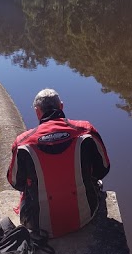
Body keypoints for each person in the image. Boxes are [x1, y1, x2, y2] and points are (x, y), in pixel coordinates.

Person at [6, 88, 110, 238]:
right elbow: (103, 169)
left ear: (37, 112)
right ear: (61, 106)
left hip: (37, 224)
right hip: (86, 216)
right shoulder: (86, 131)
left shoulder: (23, 143)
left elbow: (15, 182)